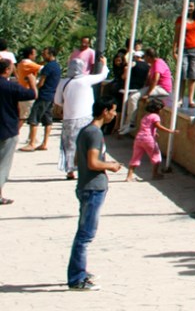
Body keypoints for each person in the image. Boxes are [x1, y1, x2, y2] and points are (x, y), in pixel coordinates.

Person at [69, 94, 123, 289]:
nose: (115, 115)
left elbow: (77, 160)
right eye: (113, 111)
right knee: (85, 235)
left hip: (86, 186)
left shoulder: (86, 131)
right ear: (105, 112)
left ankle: (80, 270)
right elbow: (93, 162)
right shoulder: (95, 134)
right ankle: (77, 278)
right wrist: (111, 165)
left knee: (84, 233)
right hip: (92, 189)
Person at [55, 49, 112, 179]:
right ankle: (83, 166)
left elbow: (57, 101)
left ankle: (70, 170)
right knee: (85, 143)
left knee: (69, 144)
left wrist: (68, 104)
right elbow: (103, 76)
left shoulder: (63, 82)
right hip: (85, 117)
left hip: (69, 118)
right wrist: (105, 64)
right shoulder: (86, 80)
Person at [0, 52, 39, 206]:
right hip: (8, 129)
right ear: (8, 70)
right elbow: (32, 94)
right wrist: (32, 82)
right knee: (3, 164)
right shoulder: (11, 87)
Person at [127, 97, 172, 181]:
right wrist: (170, 131)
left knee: (135, 157)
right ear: (158, 108)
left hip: (139, 138)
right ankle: (155, 174)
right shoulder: (155, 116)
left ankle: (129, 176)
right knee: (156, 156)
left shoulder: (146, 116)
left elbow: (146, 127)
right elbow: (158, 126)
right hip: (149, 139)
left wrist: (155, 132)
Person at [25, 49, 59, 151]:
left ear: (50, 54)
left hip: (43, 95)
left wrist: (33, 86)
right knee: (47, 120)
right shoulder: (57, 66)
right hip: (51, 95)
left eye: (44, 54)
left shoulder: (48, 67)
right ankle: (44, 143)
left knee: (34, 119)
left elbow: (41, 83)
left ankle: (31, 143)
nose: (43, 56)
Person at [176, 0, 195, 110]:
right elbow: (177, 35)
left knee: (193, 75)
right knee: (183, 74)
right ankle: (180, 99)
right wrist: (174, 49)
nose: (189, 8)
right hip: (183, 49)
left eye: (191, 6)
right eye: (187, 6)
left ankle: (190, 99)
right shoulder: (180, 19)